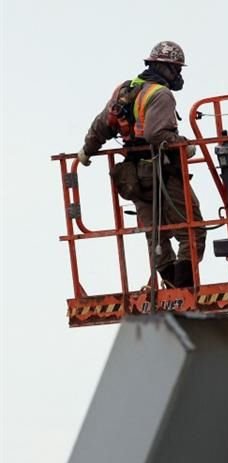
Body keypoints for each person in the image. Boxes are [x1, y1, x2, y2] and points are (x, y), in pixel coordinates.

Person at [77, 40, 206, 288]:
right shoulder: (161, 94)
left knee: (155, 236)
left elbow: (102, 124)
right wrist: (184, 146)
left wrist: (86, 150)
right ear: (165, 68)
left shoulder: (125, 90)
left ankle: (172, 286)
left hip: (134, 176)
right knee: (192, 231)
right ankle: (182, 288)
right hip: (163, 171)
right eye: (176, 69)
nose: (178, 75)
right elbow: (156, 134)